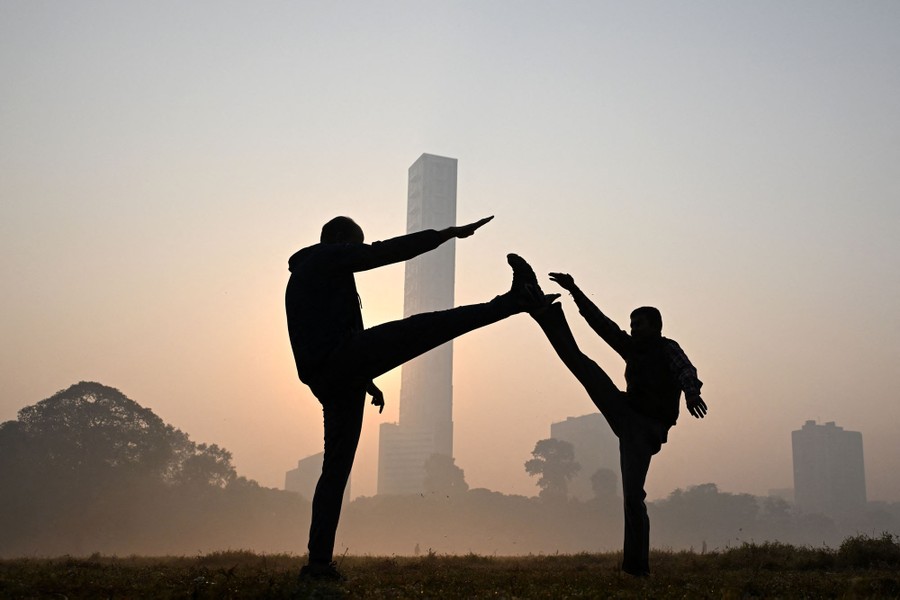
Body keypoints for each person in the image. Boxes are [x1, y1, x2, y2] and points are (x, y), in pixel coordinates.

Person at [286, 216, 544, 581]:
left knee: (335, 471)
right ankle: (515, 301)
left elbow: (330, 330)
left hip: (338, 374)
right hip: (341, 363)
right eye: (354, 245)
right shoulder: (323, 260)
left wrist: (367, 380)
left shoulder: (314, 273)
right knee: (427, 327)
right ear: (340, 241)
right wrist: (445, 236)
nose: (358, 252)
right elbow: (385, 253)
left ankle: (318, 563)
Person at [508, 254, 706, 577]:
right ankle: (545, 312)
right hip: (625, 411)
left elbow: (686, 370)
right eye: (631, 324)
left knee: (632, 497)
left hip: (645, 429)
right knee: (583, 365)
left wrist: (692, 392)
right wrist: (574, 291)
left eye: (638, 324)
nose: (632, 329)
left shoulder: (666, 348)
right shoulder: (632, 348)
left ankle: (636, 569)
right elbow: (601, 325)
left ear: (655, 327)